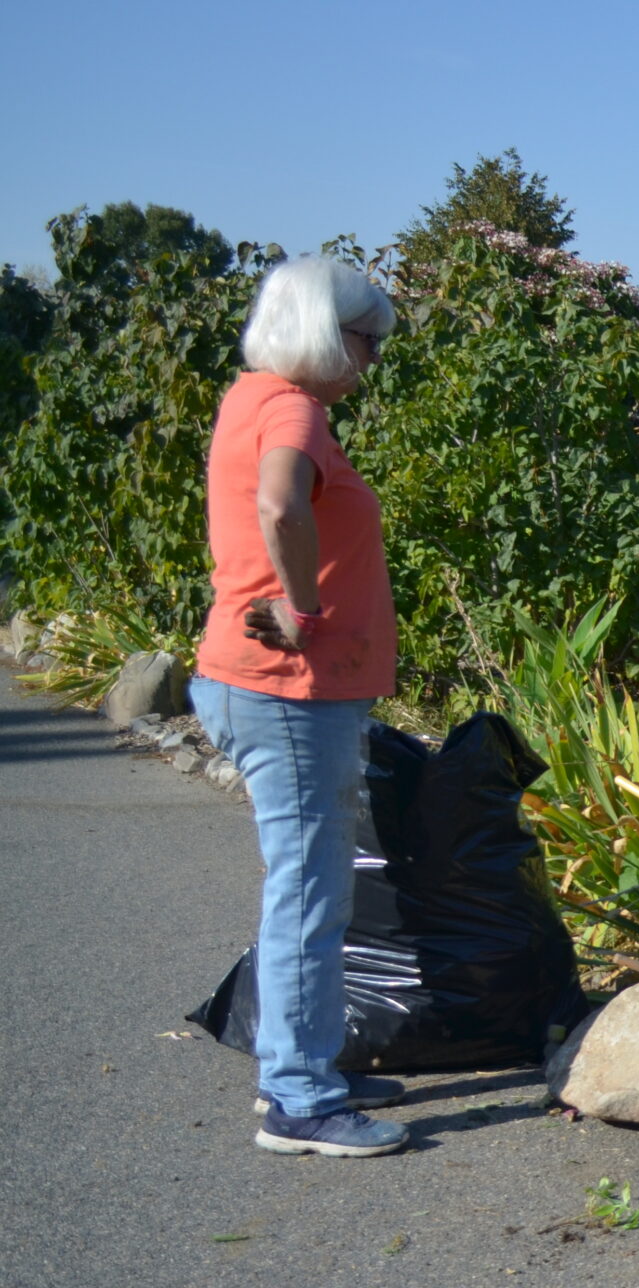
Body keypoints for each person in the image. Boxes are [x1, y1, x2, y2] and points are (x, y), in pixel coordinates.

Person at [190, 254, 407, 1157]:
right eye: (368, 339)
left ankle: (297, 1062)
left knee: (303, 884)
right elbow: (282, 504)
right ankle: (302, 1100)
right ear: (329, 331)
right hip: (288, 689)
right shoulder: (293, 407)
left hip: (265, 684)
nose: (372, 358)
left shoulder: (254, 393)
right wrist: (307, 608)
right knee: (313, 892)